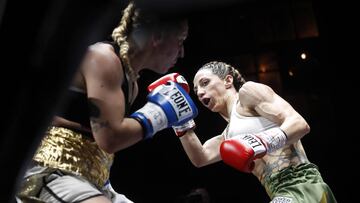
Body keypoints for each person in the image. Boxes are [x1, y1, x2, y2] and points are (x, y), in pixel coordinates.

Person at [15, 1, 197, 202]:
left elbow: (103, 135)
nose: (182, 52)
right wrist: (161, 112)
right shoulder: (103, 59)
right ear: (158, 36)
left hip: (93, 177)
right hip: (53, 169)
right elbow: (110, 138)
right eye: (180, 41)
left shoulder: (132, 84)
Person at [176, 61, 337, 202]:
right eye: (196, 89)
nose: (199, 92)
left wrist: (264, 141)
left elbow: (299, 123)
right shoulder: (227, 137)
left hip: (302, 184)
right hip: (281, 193)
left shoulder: (248, 93)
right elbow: (200, 158)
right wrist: (179, 120)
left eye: (205, 83)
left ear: (228, 80)